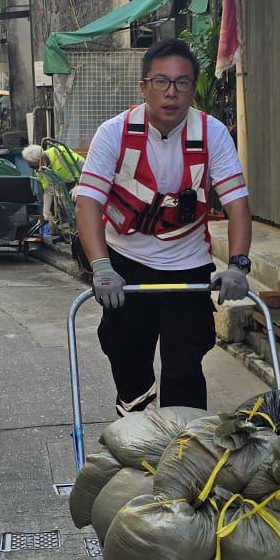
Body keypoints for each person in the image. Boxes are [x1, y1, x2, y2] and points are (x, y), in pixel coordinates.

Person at [75, 38, 252, 413]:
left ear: (192, 88)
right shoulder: (114, 133)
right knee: (127, 358)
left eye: (182, 83)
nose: (171, 93)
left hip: (187, 264)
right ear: (144, 87)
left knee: (185, 364)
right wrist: (101, 266)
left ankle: (184, 449)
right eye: (161, 82)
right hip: (126, 262)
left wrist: (238, 264)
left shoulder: (212, 134)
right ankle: (134, 429)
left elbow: (237, 203)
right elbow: (88, 201)